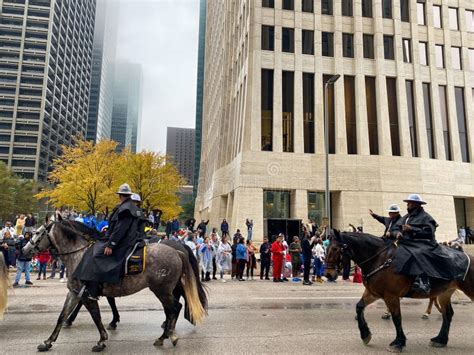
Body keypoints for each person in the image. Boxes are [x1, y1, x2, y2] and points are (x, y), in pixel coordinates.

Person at [73, 183, 142, 300]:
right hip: (123, 238)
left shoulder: (125, 209)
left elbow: (120, 229)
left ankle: (94, 289)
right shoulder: (128, 207)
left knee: (97, 254)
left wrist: (111, 245)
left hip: (123, 241)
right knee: (96, 247)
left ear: (120, 195)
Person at [396, 194, 438, 294]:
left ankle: (424, 281)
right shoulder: (407, 217)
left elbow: (429, 232)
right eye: (407, 203)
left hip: (424, 243)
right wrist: (399, 233)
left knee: (418, 253)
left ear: (417, 204)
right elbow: (399, 228)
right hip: (408, 243)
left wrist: (412, 229)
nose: (407, 205)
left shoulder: (426, 217)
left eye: (410, 203)